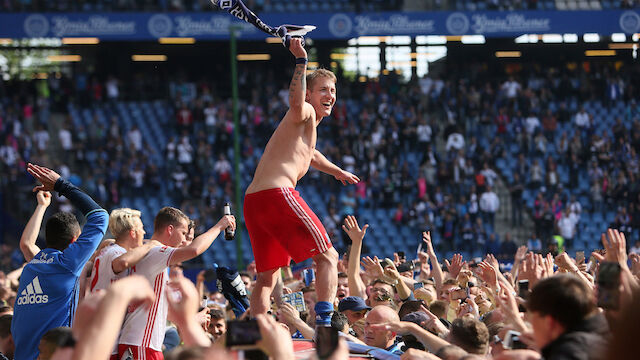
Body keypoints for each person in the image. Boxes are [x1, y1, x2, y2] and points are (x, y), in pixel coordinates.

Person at [243, 37, 359, 326]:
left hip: (254, 201)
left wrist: (336, 171)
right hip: (277, 193)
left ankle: (257, 330)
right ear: (310, 94)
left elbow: (311, 154)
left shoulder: (306, 128)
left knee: (268, 276)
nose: (330, 95)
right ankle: (324, 324)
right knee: (328, 256)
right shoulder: (304, 111)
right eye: (323, 90)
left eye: (333, 90)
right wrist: (301, 60)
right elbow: (296, 102)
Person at [12, 163, 109, 360]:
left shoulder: (34, 265)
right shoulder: (68, 264)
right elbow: (100, 216)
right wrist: (60, 185)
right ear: (75, 241)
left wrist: (41, 207)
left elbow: (26, 243)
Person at [117, 207, 235, 359]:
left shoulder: (148, 253)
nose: (184, 240)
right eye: (183, 233)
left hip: (142, 341)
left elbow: (157, 308)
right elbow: (194, 250)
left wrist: (189, 321)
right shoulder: (156, 251)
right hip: (141, 342)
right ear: (170, 229)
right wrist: (219, 226)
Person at [527, 274, 607, 360]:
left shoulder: (568, 353)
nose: (532, 330)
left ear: (549, 323)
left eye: (532, 320)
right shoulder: (609, 337)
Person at [89, 208, 160, 293]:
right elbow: (123, 262)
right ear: (133, 233)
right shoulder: (117, 252)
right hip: (106, 305)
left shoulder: (109, 248)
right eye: (141, 228)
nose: (144, 232)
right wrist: (150, 245)